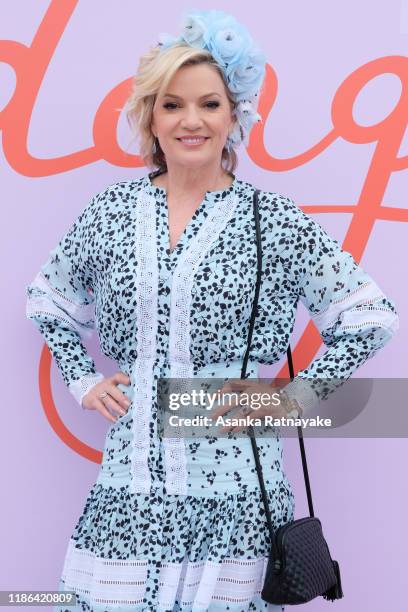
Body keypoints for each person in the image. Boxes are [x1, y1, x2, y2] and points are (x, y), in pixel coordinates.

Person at [25, 9, 399, 612]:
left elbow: (370, 316)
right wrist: (82, 378)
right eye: (171, 104)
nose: (191, 121)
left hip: (238, 490)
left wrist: (292, 400)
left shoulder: (271, 219)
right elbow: (48, 298)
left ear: (235, 114)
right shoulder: (110, 214)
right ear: (150, 115)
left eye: (209, 104)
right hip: (131, 484)